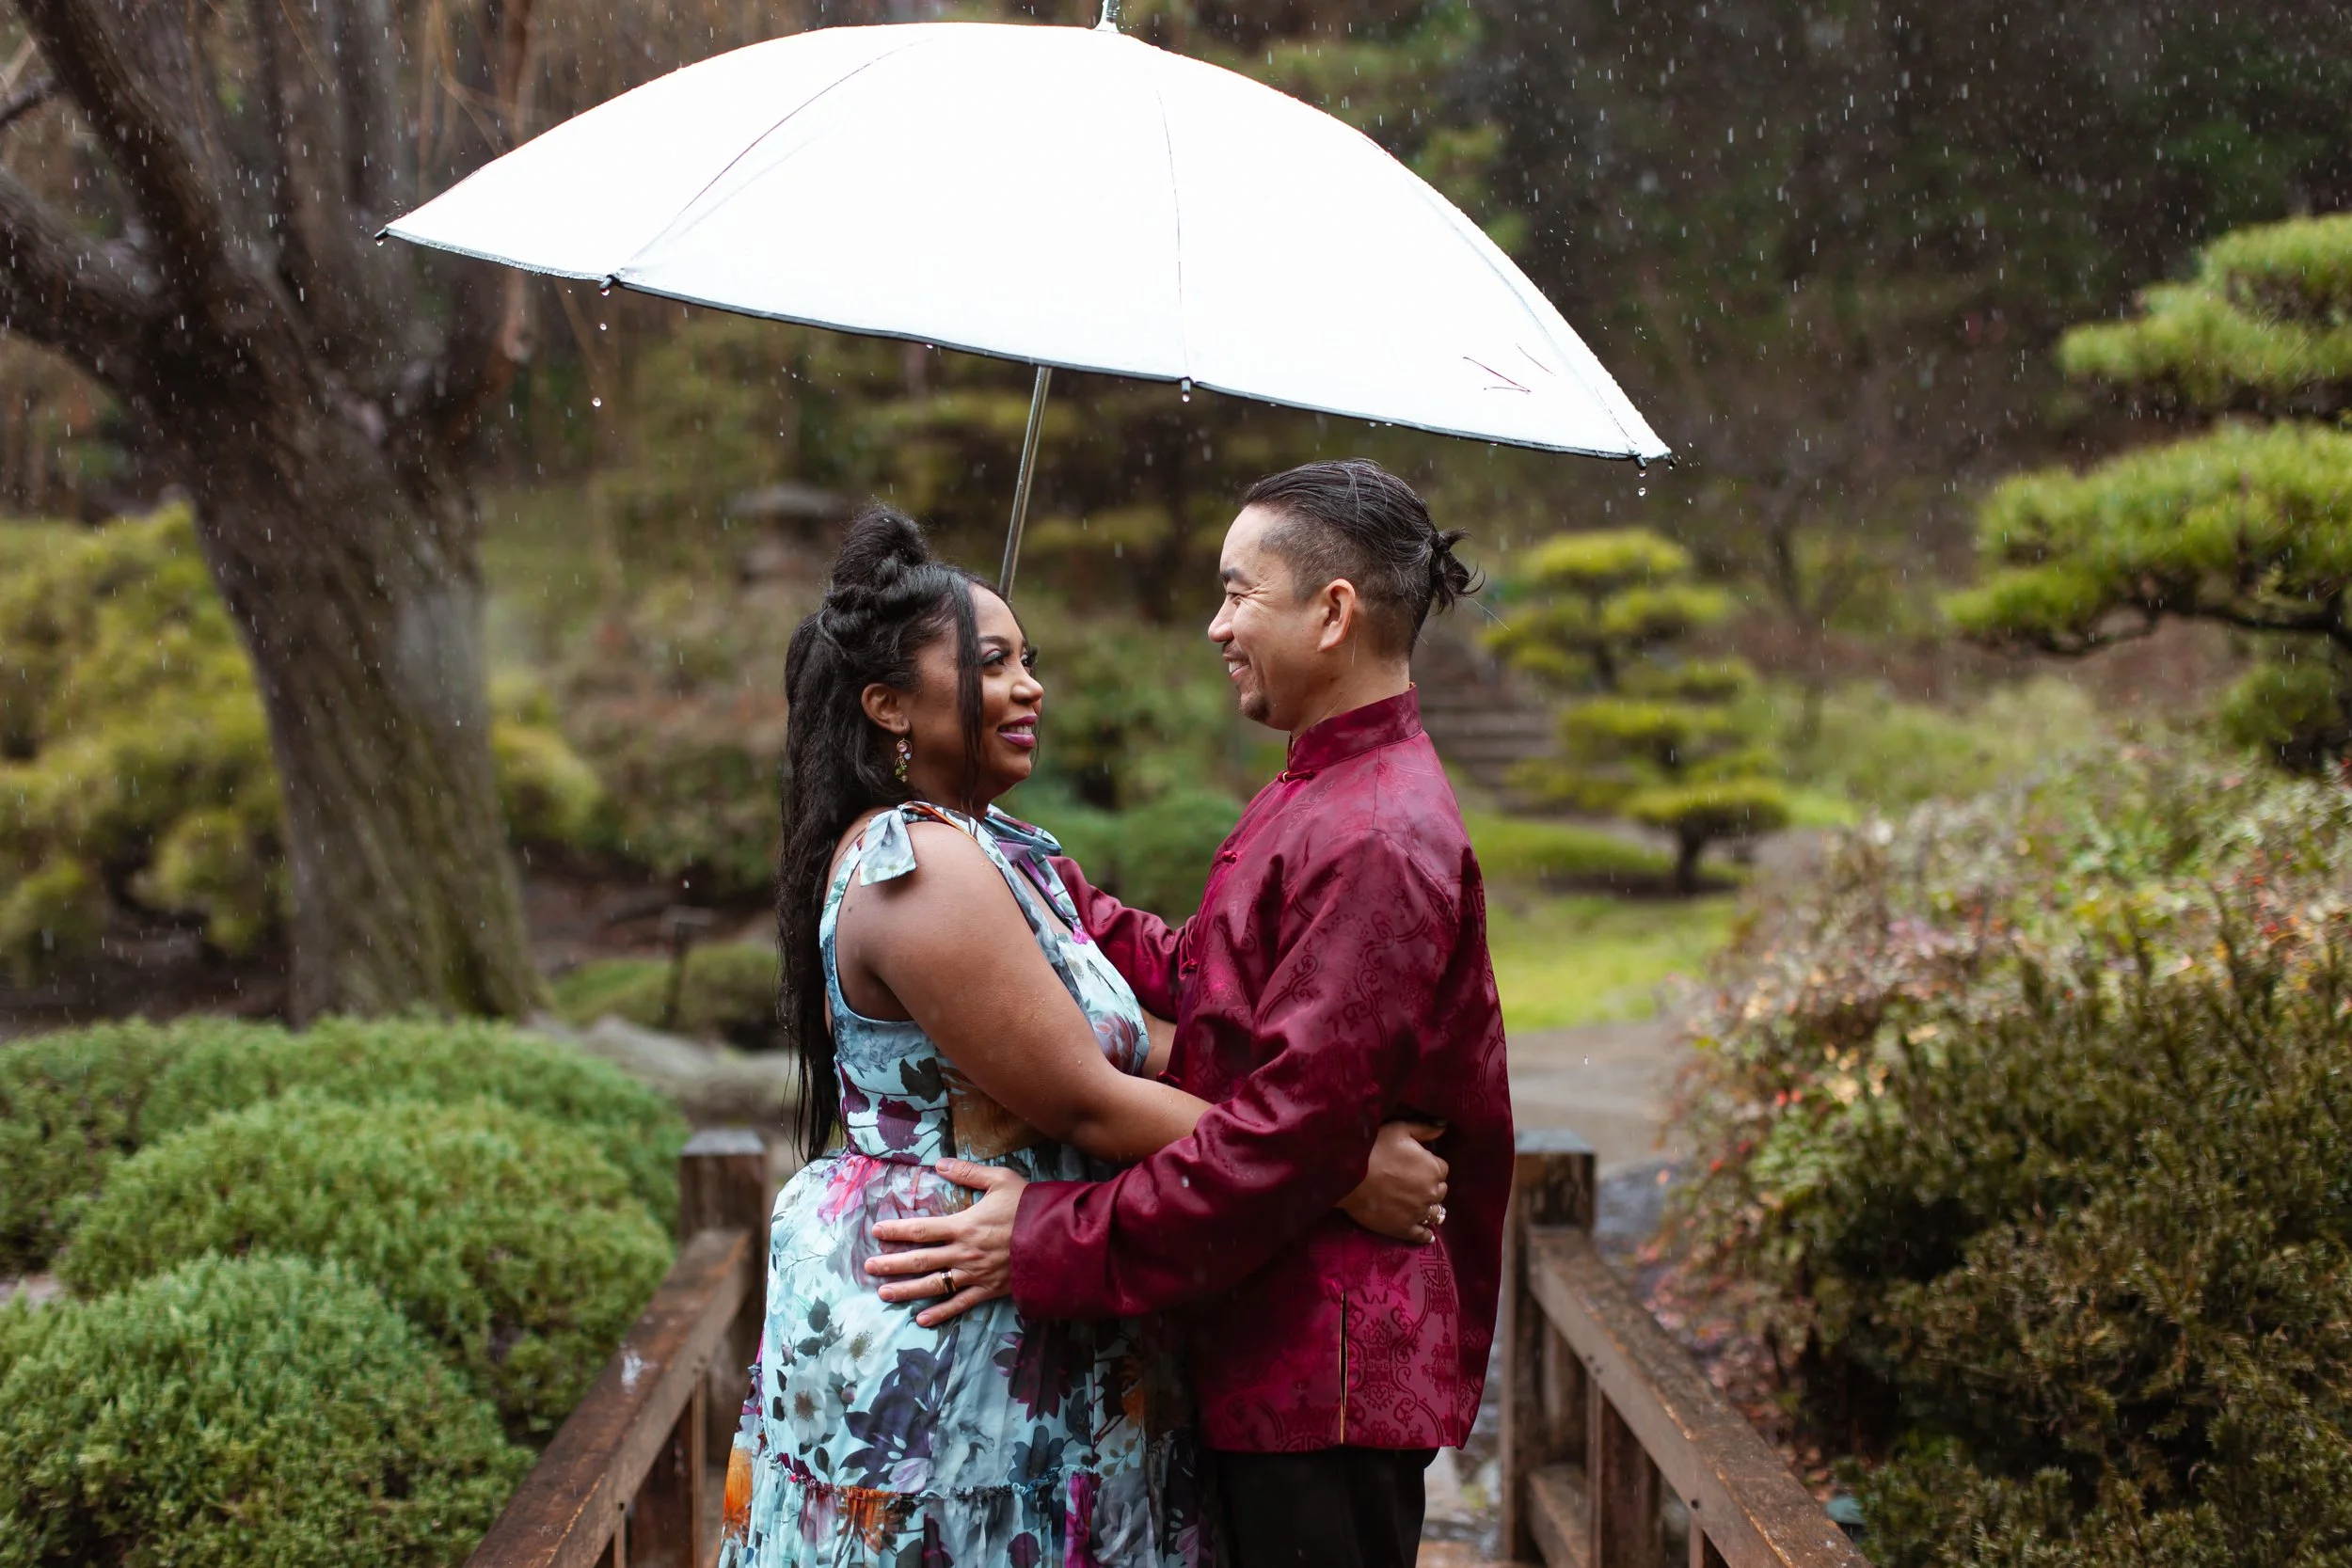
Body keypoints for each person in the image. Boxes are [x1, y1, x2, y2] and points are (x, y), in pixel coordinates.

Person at [718, 507, 1449, 1568]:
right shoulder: (915, 865)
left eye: (1029, 660)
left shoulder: (996, 848)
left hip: (1042, 1291)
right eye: (995, 663)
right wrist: (1337, 1174)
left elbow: (1146, 1041)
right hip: (954, 1316)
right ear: (887, 706)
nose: (1030, 687)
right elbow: (1087, 1099)